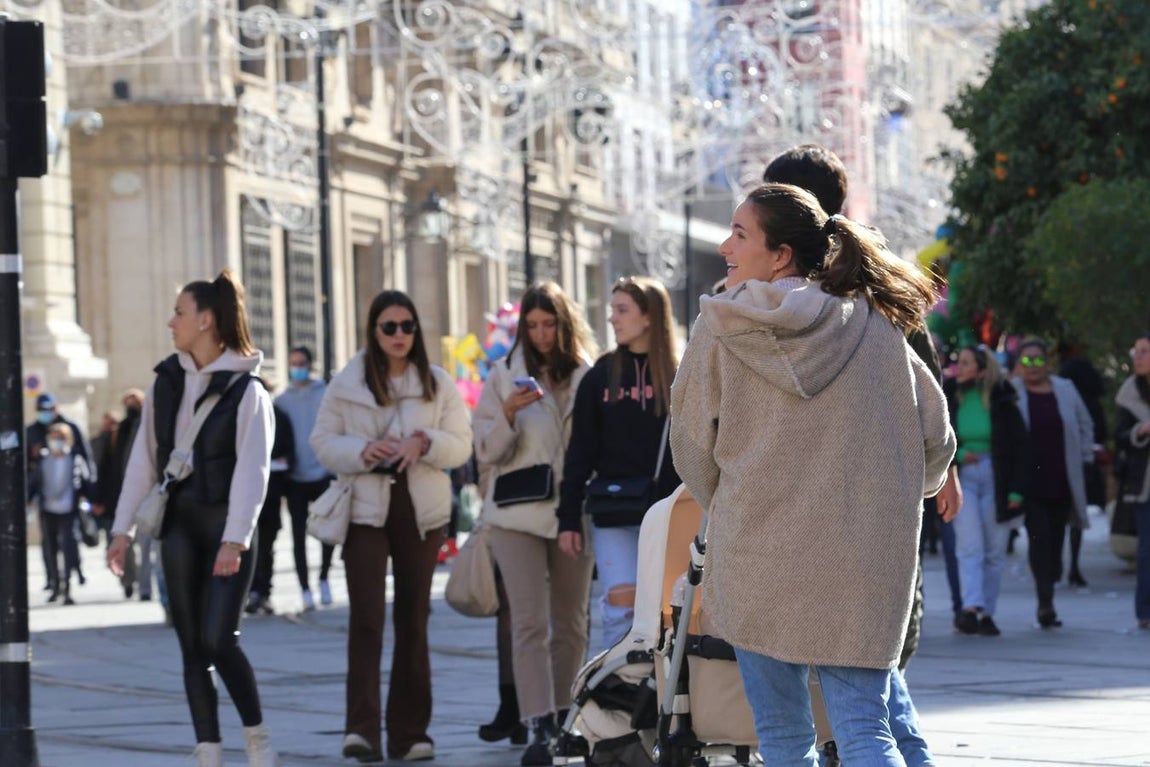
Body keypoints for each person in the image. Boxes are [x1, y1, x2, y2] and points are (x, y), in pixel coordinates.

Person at [671, 183, 956, 765]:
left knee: (780, 735)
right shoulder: (874, 325)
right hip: (862, 559)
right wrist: (909, 487)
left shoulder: (721, 327)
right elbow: (936, 434)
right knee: (865, 728)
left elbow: (691, 445)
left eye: (740, 233)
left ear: (780, 255)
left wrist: (728, 502)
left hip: (758, 554)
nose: (726, 244)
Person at [106, 269, 280, 767]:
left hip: (227, 528)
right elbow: (143, 462)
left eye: (179, 313)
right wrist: (121, 531)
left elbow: (254, 473)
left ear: (206, 320)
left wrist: (237, 540)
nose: (170, 322)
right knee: (190, 646)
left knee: (219, 640)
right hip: (180, 525)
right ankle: (208, 748)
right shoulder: (163, 384)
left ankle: (256, 736)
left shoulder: (249, 394)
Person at [310, 290, 472, 763]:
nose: (399, 335)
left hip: (421, 509)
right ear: (374, 332)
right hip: (364, 506)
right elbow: (322, 442)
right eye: (389, 327)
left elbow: (462, 445)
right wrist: (363, 450)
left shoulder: (437, 383)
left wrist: (426, 441)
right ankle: (361, 729)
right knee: (366, 620)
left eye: (407, 326)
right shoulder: (349, 381)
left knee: (413, 620)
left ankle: (411, 734)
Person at [473, 281, 598, 765]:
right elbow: (484, 449)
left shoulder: (589, 375)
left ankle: (567, 714)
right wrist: (507, 412)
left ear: (564, 324)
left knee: (571, 619)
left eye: (549, 324)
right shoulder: (506, 375)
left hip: (574, 512)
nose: (541, 334)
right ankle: (537, 719)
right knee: (527, 621)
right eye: (532, 325)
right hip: (516, 513)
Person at [556, 276, 681, 651]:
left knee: (669, 614)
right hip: (613, 512)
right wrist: (567, 519)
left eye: (622, 310)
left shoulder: (681, 375)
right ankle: (619, 699)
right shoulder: (599, 376)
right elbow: (579, 453)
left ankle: (660, 699)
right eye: (612, 310)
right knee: (620, 610)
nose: (612, 319)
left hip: (668, 515)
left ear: (649, 317)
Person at [945, 346, 1030, 637]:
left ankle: (987, 613)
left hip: (997, 478)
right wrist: (960, 453)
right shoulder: (950, 396)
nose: (960, 368)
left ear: (983, 369)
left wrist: (1017, 492)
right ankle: (971, 608)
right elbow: (938, 436)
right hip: (964, 476)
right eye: (959, 362)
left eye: (967, 363)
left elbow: (1020, 447)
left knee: (994, 550)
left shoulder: (1003, 400)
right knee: (970, 546)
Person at [1010, 338, 1094, 628]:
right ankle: (1045, 602)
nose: (1033, 366)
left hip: (1062, 478)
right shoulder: (1012, 393)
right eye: (1027, 360)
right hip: (1030, 482)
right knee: (1038, 539)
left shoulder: (1066, 390)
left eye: (1038, 360)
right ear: (1020, 364)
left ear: (1048, 363)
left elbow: (1086, 424)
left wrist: (1085, 455)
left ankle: (1053, 577)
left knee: (1056, 541)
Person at [276, 345, 337, 610]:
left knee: (326, 532)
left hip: (322, 473)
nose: (297, 368)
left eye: (301, 363)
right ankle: (305, 588)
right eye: (293, 363)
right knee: (298, 534)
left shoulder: (325, 394)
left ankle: (324, 577)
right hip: (295, 478)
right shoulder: (281, 401)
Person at [26, 391, 94, 593]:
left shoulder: (72, 433)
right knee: (49, 544)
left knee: (70, 540)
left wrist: (91, 495)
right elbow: (30, 472)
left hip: (69, 501)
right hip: (47, 501)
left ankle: (74, 573)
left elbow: (85, 462)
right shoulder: (32, 433)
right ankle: (54, 580)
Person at [1057, 340, 1108, 587]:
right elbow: (1095, 427)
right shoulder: (1084, 395)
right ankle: (1072, 565)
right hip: (1079, 461)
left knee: (1062, 515)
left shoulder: (1064, 388)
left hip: (1066, 460)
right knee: (1076, 515)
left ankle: (1060, 566)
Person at [93, 388, 150, 602]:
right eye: (127, 401)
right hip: (117, 498)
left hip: (145, 495)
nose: (131, 405)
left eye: (134, 401)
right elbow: (106, 467)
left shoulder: (147, 426)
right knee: (122, 542)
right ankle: (129, 581)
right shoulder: (118, 432)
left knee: (145, 546)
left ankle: (145, 589)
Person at [247, 383, 295, 615]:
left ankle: (263, 592)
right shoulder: (241, 417)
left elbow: (289, 454)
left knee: (266, 547)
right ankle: (250, 592)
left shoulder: (280, 417)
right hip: (245, 496)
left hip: (271, 495)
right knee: (246, 547)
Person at [1115, 334, 1150, 630]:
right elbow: (1120, 437)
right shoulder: (1129, 392)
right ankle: (1145, 612)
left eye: (1144, 352)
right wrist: (1142, 429)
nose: (1137, 357)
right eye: (1135, 351)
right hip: (1144, 485)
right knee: (1147, 550)